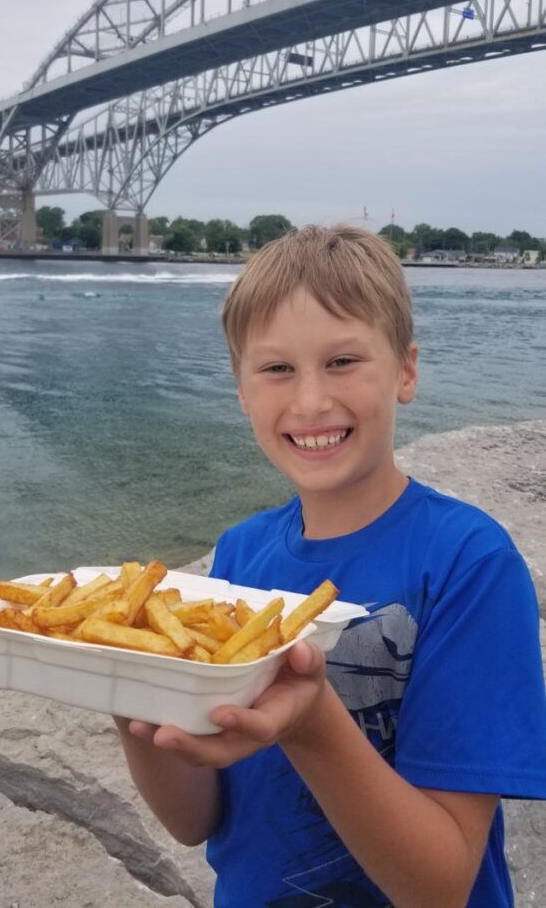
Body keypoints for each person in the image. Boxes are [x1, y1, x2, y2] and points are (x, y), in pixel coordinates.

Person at [114, 224, 546, 908]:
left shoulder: (468, 564)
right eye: (276, 368)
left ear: (405, 371)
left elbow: (439, 885)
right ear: (241, 391)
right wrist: (130, 697)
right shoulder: (237, 556)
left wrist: (311, 722)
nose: (310, 401)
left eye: (342, 361)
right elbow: (192, 820)